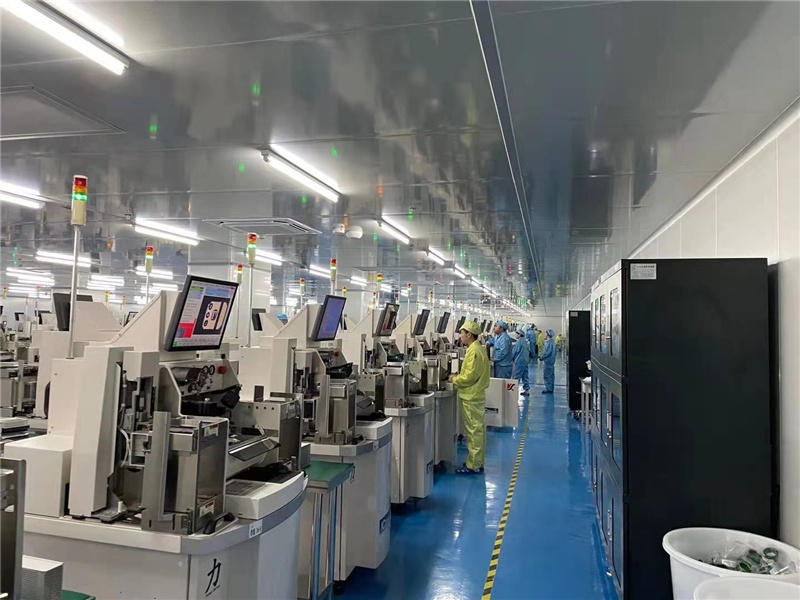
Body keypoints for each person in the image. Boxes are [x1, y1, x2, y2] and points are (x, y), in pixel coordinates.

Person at [449, 320, 491, 474]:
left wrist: (455, 379)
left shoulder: (474, 351)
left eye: (462, 333)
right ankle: (477, 461)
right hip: (473, 395)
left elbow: (470, 376)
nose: (460, 336)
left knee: (474, 431)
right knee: (477, 430)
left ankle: (474, 465)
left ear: (469, 334)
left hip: (471, 395)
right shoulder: (475, 349)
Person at [512, 328, 530, 396]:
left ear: (519, 334)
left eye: (516, 333)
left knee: (516, 377)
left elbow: (515, 351)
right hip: (525, 361)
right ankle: (527, 390)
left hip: (519, 362)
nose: (515, 335)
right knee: (525, 376)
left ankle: (514, 391)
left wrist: (511, 358)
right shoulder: (525, 341)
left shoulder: (519, 342)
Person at [541, 329, 557, 394]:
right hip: (551, 362)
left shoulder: (548, 343)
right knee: (551, 375)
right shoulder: (552, 342)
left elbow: (547, 352)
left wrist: (542, 357)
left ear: (548, 334)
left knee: (547, 375)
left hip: (548, 362)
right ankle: (550, 388)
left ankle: (548, 388)